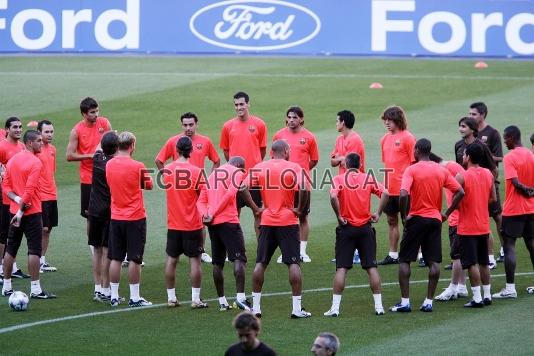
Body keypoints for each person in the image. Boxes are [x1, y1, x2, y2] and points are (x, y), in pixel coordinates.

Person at [389, 139, 464, 313]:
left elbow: (403, 194)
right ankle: (428, 301)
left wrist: (404, 216)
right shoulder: (441, 170)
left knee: (405, 259)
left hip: (416, 219)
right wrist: (447, 212)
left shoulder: (411, 169)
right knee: (434, 261)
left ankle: (405, 302)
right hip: (434, 220)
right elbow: (460, 191)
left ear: (416, 151)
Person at [247, 140, 311, 318]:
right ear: (286, 151)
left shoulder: (260, 167)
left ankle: (256, 307)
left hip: (267, 221)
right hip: (288, 222)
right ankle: (297, 309)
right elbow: (305, 187)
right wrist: (299, 208)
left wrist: (255, 208)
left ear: (271, 153)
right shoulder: (294, 167)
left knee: (261, 263)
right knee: (293, 263)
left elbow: (242, 188)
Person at [324, 153, 389, 317]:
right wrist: (378, 213)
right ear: (360, 165)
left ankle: (335, 308)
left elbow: (333, 196)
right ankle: (379, 307)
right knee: (372, 267)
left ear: (345, 164)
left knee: (342, 268)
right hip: (365, 229)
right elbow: (386, 193)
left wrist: (339, 216)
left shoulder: (339, 179)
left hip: (347, 229)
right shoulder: (367, 178)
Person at [155, 112, 220, 264]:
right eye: (185, 125)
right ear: (181, 125)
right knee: (180, 217)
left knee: (201, 218)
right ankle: (189, 250)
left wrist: (209, 178)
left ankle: (201, 250)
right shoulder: (173, 142)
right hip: (181, 189)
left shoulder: (205, 141)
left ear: (197, 124)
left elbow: (216, 160)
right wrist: (167, 176)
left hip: (199, 186)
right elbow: (159, 160)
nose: (188, 128)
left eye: (191, 125)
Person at [197, 156, 259, 311]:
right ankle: (240, 298)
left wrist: (206, 215)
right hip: (229, 222)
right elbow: (231, 194)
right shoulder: (236, 172)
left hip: (212, 225)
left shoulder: (212, 176)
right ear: (239, 166)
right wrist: (215, 213)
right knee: (239, 259)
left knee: (217, 263)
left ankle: (222, 302)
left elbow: (200, 201)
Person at [1, 130, 56, 299]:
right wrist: (21, 210)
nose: (42, 143)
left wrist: (16, 203)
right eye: (39, 140)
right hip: (31, 213)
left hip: (13, 211)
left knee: (11, 249)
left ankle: (7, 286)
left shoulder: (12, 161)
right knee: (34, 250)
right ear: (30, 143)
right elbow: (30, 192)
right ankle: (35, 289)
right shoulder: (35, 162)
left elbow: (6, 187)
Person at [106, 131, 152, 307]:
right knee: (135, 258)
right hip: (135, 217)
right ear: (132, 145)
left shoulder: (110, 165)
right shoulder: (138, 165)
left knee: (116, 258)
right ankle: (134, 297)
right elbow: (149, 185)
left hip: (116, 217)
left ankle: (114, 296)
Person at [163, 136, 208, 309]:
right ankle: (195, 299)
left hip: (173, 223)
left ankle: (171, 298)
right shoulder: (197, 172)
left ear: (177, 150)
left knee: (171, 260)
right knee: (195, 260)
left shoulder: (167, 170)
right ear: (191, 150)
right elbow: (202, 196)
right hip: (192, 224)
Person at [492, 126, 534, 298]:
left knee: (509, 246)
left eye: (505, 138)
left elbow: (515, 182)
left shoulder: (510, 157)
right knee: (532, 245)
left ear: (511, 137)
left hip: (514, 209)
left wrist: (525, 189)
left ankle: (510, 289)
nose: (504, 141)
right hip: (531, 208)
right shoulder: (531, 154)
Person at [273, 106, 319, 263]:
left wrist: (301, 171)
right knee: (284, 217)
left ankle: (302, 251)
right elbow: (275, 158)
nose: (291, 120)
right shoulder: (279, 136)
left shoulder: (309, 137)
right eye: (289, 117)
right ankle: (286, 251)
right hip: (283, 185)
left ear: (301, 119)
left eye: (294, 117)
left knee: (303, 216)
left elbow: (314, 160)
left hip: (302, 185)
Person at [454, 116, 499, 269]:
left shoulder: (481, 146)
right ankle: (463, 258)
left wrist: (489, 185)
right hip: (467, 187)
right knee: (476, 223)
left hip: (484, 188)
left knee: (483, 223)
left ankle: (490, 256)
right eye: (460, 126)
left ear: (472, 129)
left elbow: (494, 169)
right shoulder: (458, 146)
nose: (461, 129)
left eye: (464, 126)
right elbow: (460, 168)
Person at [220, 91, 267, 237]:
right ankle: (234, 250)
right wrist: (234, 169)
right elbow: (226, 151)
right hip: (235, 179)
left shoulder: (259, 124)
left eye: (241, 104)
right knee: (233, 216)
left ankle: (261, 251)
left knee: (258, 214)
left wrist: (254, 166)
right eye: (236, 105)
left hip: (255, 179)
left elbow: (262, 150)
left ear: (248, 104)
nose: (239, 107)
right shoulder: (227, 126)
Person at [66, 97, 111, 247]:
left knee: (110, 212)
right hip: (88, 178)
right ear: (84, 114)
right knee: (90, 216)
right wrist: (91, 155)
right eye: (92, 112)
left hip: (106, 175)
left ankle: (109, 244)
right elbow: (69, 155)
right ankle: (94, 246)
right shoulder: (77, 130)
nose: (96, 114)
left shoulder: (104, 123)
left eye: (97, 111)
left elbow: (111, 145)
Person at [456, 142, 496, 307]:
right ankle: (487, 296)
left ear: (469, 157)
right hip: (483, 225)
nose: (463, 157)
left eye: (465, 154)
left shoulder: (462, 176)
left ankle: (477, 298)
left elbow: (455, 200)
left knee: (471, 263)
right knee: (484, 262)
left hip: (467, 227)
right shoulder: (488, 173)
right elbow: (493, 198)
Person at [378, 106, 416, 266]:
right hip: (389, 189)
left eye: (390, 120)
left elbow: (415, 164)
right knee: (391, 221)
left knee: (410, 222)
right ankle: (393, 255)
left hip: (405, 189)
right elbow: (387, 162)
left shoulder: (408, 138)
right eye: (385, 120)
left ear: (398, 120)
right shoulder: (384, 139)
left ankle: (419, 255)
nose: (387, 123)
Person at [469, 102, 506, 263]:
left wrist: (483, 153)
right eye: (470, 114)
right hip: (474, 183)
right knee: (479, 217)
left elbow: (500, 157)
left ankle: (505, 248)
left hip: (490, 181)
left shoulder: (492, 133)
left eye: (474, 114)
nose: (471, 117)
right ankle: (486, 254)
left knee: (497, 216)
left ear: (483, 115)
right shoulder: (470, 133)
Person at [430, 153, 469, 301]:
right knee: (458, 254)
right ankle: (462, 286)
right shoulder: (447, 168)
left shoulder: (450, 167)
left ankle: (452, 288)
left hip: (457, 219)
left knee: (456, 255)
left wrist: (450, 208)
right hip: (455, 219)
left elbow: (464, 185)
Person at [330, 110, 365, 264]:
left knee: (355, 217)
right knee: (343, 215)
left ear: (343, 122)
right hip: (344, 182)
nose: (336, 123)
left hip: (356, 183)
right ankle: (345, 252)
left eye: (337, 121)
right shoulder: (339, 139)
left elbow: (350, 162)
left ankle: (357, 252)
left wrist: (341, 158)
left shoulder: (355, 140)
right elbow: (333, 161)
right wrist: (341, 158)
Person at [87, 131, 119, 302]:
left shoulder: (97, 159)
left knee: (96, 250)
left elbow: (99, 147)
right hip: (108, 212)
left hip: (94, 211)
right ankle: (106, 289)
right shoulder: (115, 165)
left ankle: (97, 288)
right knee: (107, 251)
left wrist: (107, 136)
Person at [0, 117, 29, 280]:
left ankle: (13, 267)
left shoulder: (22, 146)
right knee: (4, 234)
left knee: (14, 234)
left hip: (18, 198)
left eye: (20, 127)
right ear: (7, 130)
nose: (18, 129)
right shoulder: (2, 147)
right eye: (15, 127)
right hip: (5, 197)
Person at [36, 120, 58, 273]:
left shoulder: (52, 149)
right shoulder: (34, 151)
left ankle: (42, 260)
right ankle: (35, 260)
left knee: (48, 229)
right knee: (41, 229)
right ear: (39, 132)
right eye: (46, 132)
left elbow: (51, 172)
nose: (49, 135)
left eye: (51, 131)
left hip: (52, 194)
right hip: (40, 196)